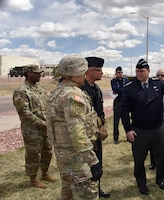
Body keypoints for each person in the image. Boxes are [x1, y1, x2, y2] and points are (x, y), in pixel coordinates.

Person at [46, 55, 103, 199]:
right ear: (74, 73)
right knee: (87, 194)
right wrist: (93, 161)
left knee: (68, 191)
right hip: (77, 157)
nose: (84, 75)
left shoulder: (56, 92)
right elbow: (77, 134)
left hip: (63, 155)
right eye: (83, 71)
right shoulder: (72, 96)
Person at [120, 59, 164, 195]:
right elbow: (123, 110)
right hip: (139, 130)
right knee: (139, 159)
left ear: (148, 71)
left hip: (158, 129)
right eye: (137, 71)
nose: (139, 74)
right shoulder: (130, 88)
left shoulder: (157, 84)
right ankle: (141, 183)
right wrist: (128, 129)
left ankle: (161, 180)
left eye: (142, 71)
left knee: (161, 156)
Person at [13, 64, 56, 189]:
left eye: (40, 73)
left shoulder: (40, 89)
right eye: (37, 73)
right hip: (32, 130)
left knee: (47, 151)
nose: (40, 75)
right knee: (33, 153)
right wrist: (42, 123)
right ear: (28, 73)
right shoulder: (21, 91)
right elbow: (24, 112)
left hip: (45, 127)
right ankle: (33, 179)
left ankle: (45, 173)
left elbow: (48, 105)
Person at [80, 56, 110, 198]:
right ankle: (87, 191)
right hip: (85, 134)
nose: (101, 73)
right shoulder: (80, 89)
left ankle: (97, 188)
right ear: (89, 71)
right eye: (98, 70)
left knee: (98, 161)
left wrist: (102, 125)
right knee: (87, 164)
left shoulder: (96, 88)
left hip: (96, 133)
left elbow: (100, 110)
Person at [110, 66, 129, 144]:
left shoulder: (126, 80)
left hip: (125, 102)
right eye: (118, 72)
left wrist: (121, 90)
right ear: (116, 73)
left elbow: (128, 89)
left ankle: (128, 136)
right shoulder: (113, 81)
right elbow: (115, 88)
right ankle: (116, 138)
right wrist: (123, 90)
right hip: (117, 103)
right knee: (116, 122)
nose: (120, 74)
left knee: (126, 120)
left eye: (121, 72)